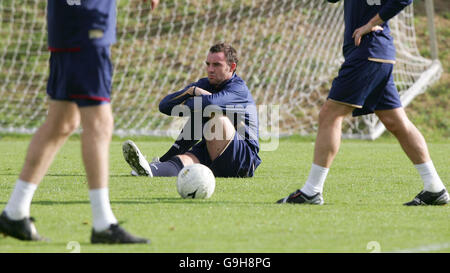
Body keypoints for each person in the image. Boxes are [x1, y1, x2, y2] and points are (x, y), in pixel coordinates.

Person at [0, 0, 160, 243]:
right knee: (99, 122)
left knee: (61, 122)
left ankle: (15, 213)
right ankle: (103, 224)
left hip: (69, 23)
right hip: (87, 22)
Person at [277, 0, 448, 206]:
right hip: (377, 54)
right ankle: (434, 187)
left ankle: (312, 191)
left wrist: (372, 23)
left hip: (368, 51)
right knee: (396, 122)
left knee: (330, 115)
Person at [122, 43, 262, 179]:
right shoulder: (204, 84)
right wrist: (191, 91)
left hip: (244, 159)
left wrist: (192, 101)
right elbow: (164, 106)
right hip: (214, 148)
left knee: (214, 114)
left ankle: (165, 159)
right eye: (208, 64)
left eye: (217, 65)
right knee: (182, 162)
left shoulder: (238, 89)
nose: (210, 69)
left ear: (232, 67)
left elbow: (211, 103)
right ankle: (151, 168)